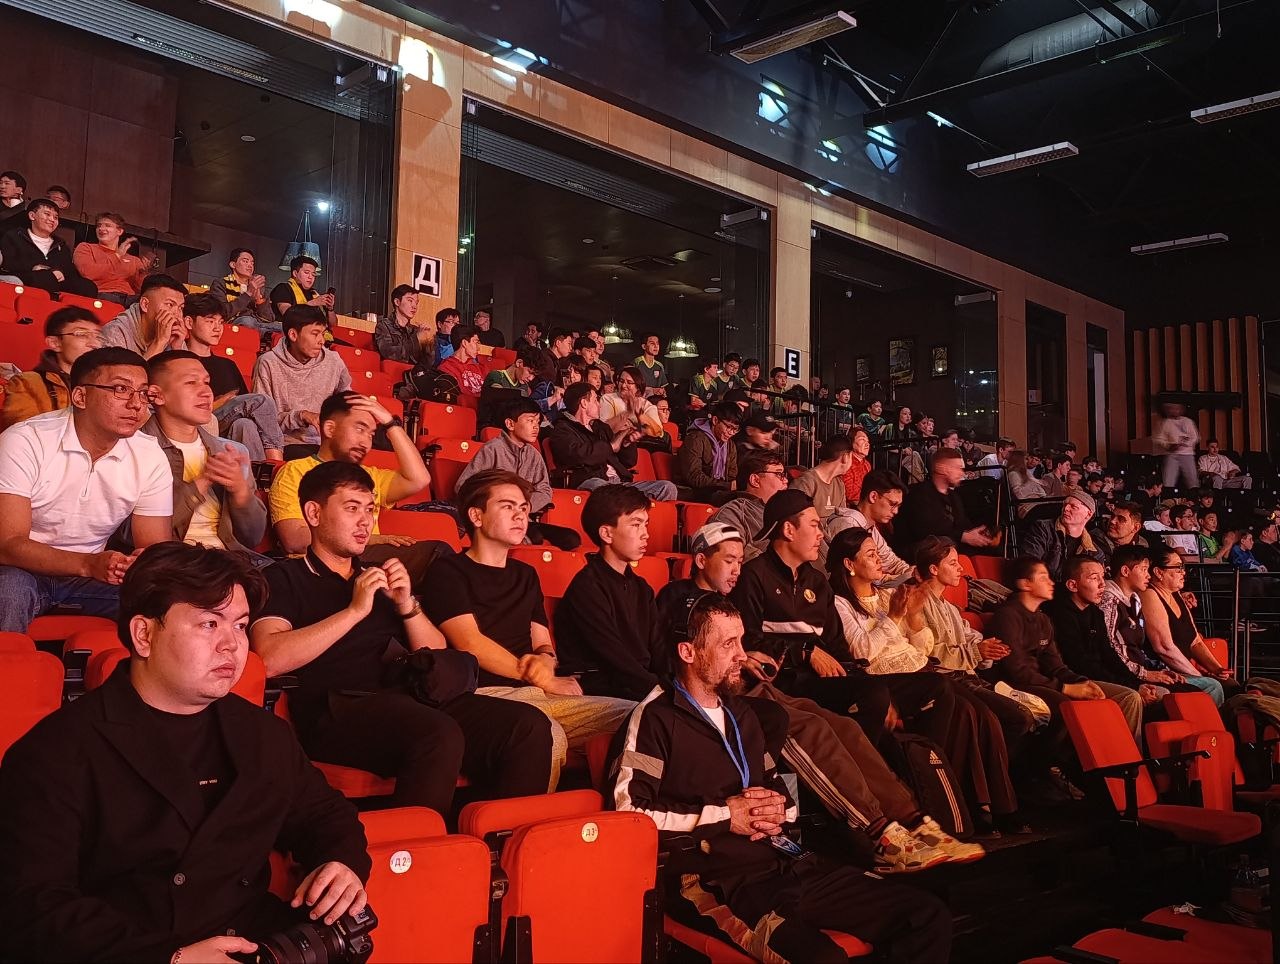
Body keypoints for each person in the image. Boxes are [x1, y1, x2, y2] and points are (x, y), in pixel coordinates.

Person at [0, 542, 372, 963]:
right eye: (210, 624)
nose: (232, 645)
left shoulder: (262, 733)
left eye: (240, 625)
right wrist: (171, 957)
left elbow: (324, 814)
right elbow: (33, 906)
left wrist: (342, 862)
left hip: (253, 943)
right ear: (144, 634)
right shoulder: (56, 751)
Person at [607, 593, 954, 963]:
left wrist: (780, 810)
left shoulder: (743, 714)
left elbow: (779, 789)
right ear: (688, 652)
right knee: (821, 958)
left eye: (741, 641)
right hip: (715, 880)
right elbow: (629, 814)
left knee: (925, 916)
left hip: (787, 861)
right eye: (728, 644)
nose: (742, 655)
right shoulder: (654, 719)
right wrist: (727, 815)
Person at [657, 523, 979, 871]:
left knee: (843, 726)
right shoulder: (677, 597)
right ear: (701, 560)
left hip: (753, 685)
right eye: (729, 560)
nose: (737, 568)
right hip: (718, 696)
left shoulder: (727, 599)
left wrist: (746, 655)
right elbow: (672, 658)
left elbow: (745, 644)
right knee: (808, 727)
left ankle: (913, 822)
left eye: (739, 560)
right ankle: (879, 833)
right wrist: (744, 656)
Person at [253, 460, 550, 810]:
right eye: (352, 508)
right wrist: (354, 612)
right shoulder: (283, 577)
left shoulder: (377, 576)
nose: (365, 521)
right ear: (314, 513)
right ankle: (419, 842)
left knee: (527, 726)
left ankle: (496, 836)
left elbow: (436, 648)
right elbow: (269, 658)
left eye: (370, 509)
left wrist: (407, 605)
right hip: (338, 708)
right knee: (436, 732)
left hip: (409, 695)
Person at [426, 470, 636, 787]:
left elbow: (542, 642)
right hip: (484, 695)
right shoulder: (448, 571)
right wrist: (542, 677)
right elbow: (469, 641)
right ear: (476, 516)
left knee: (638, 716)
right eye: (508, 506)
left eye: (524, 508)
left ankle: (626, 809)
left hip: (537, 693)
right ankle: (527, 818)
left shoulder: (526, 574)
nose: (520, 516)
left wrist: (546, 661)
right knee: (549, 736)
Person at [827, 527, 1021, 825]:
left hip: (920, 669)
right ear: (849, 564)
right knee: (956, 701)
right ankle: (939, 789)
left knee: (976, 713)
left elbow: (921, 647)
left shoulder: (887, 595)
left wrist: (915, 617)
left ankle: (979, 804)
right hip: (888, 678)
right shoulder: (840, 603)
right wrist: (895, 617)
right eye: (871, 554)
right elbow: (862, 651)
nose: (879, 560)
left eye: (878, 553)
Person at [0, 347, 173, 631]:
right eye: (120, 389)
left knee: (169, 599)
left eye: (143, 393)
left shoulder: (149, 455)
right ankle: (10, 661)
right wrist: (88, 564)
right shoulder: (26, 440)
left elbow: (154, 546)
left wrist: (142, 562)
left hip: (91, 577)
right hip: (18, 569)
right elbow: (7, 545)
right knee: (9, 590)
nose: (136, 404)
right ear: (80, 396)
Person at [729, 490, 895, 746]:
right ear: (789, 530)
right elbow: (747, 642)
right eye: (815, 525)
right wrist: (804, 652)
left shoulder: (817, 582)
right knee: (873, 696)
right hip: (785, 681)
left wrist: (863, 680)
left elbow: (837, 646)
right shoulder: (753, 576)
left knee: (934, 688)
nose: (821, 534)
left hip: (824, 679)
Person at [268, 390, 443, 576]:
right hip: (320, 566)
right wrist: (370, 539)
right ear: (330, 429)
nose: (366, 442)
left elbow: (419, 479)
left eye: (371, 434)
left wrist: (390, 424)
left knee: (443, 561)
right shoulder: (295, 471)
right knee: (438, 556)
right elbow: (294, 539)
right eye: (359, 429)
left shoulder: (369, 476)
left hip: (364, 564)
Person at [988, 558, 1143, 760]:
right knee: (1063, 704)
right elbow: (1017, 672)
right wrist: (1065, 688)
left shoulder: (1043, 619)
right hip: (1014, 686)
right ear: (1025, 584)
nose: (1051, 582)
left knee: (1110, 696)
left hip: (1043, 682)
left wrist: (1082, 682)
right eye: (1043, 577)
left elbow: (1055, 665)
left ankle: (1121, 762)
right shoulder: (1008, 616)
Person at [915, 536, 1039, 760]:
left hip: (970, 677)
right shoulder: (917, 604)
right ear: (933, 569)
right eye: (953, 563)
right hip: (948, 681)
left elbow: (970, 636)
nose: (960, 568)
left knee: (1037, 715)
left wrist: (987, 649)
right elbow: (928, 653)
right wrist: (976, 651)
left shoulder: (949, 607)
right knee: (1019, 718)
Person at [142, 351, 267, 554]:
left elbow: (252, 537)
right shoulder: (135, 451)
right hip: (174, 561)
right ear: (156, 395)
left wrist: (240, 491)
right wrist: (203, 480)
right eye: (191, 382)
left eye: (206, 382)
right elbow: (127, 535)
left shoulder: (230, 451)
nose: (207, 392)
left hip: (230, 558)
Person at [554, 485, 665, 699]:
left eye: (646, 524)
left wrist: (675, 686)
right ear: (606, 533)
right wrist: (660, 692)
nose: (646, 534)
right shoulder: (586, 587)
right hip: (600, 689)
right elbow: (612, 655)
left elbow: (659, 649)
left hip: (639, 686)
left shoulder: (643, 588)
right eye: (636, 525)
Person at [1043, 557, 1158, 738]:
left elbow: (1109, 654)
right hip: (1078, 678)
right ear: (1072, 585)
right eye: (1094, 578)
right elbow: (1079, 663)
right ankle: (1126, 755)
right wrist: (1131, 686)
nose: (1102, 584)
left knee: (1160, 693)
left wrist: (1137, 683)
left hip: (1100, 675)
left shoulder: (1095, 612)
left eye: (1103, 577)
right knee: (1130, 697)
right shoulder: (1060, 615)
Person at [455, 397, 581, 550]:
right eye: (530, 421)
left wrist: (525, 506)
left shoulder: (534, 455)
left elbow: (545, 490)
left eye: (537, 422)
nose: (536, 427)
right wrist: (502, 505)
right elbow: (463, 486)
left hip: (522, 519)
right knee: (534, 537)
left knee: (571, 539)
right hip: (495, 518)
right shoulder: (492, 449)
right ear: (510, 424)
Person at [182, 293, 285, 461]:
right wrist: (223, 401)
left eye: (220, 322)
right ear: (189, 322)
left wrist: (232, 402)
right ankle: (276, 464)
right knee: (261, 401)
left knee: (245, 424)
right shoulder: (180, 361)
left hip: (228, 430)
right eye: (210, 321)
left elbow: (243, 405)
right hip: (201, 422)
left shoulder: (228, 364)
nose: (217, 328)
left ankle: (259, 474)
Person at [1097, 546, 1205, 695]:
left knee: (1194, 690)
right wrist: (1145, 674)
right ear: (1125, 571)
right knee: (1195, 691)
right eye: (1143, 570)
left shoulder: (1135, 600)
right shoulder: (1109, 601)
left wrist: (1162, 670)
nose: (1148, 576)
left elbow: (1138, 651)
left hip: (1142, 671)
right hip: (1125, 677)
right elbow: (1111, 649)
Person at [1142, 546, 1239, 702]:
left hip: (1185, 671)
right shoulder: (1149, 595)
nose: (1183, 572)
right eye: (1178, 567)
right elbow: (1164, 648)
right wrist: (1198, 675)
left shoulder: (1176, 595)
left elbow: (1195, 641)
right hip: (1164, 671)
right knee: (1212, 686)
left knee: (1232, 686)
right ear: (1159, 572)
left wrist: (1217, 669)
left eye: (1183, 567)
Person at [548, 383, 677, 500]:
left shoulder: (599, 427)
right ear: (584, 403)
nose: (599, 404)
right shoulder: (562, 429)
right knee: (601, 487)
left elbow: (629, 462)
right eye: (595, 400)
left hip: (619, 483)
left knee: (667, 488)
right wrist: (610, 446)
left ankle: (631, 509)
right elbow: (579, 455)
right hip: (590, 481)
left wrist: (626, 442)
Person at [252, 305, 351, 452]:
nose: (321, 341)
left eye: (323, 334)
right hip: (286, 444)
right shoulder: (268, 363)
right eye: (315, 334)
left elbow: (346, 402)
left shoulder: (334, 361)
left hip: (326, 444)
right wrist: (300, 416)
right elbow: (263, 419)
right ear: (293, 335)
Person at [0, 306, 101, 430]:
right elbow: (22, 434)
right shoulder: (28, 383)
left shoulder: (106, 383)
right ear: (55, 343)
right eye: (81, 334)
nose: (94, 343)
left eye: (98, 336)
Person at [892, 447, 995, 556]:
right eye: (958, 468)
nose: (962, 474)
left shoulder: (954, 497)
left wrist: (981, 535)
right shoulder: (918, 494)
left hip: (950, 550)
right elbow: (927, 531)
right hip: (919, 554)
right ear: (941, 468)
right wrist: (963, 536)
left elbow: (963, 525)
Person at [824, 469, 913, 578]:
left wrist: (912, 572)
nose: (895, 511)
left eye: (898, 506)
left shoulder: (870, 527)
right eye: (892, 504)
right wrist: (906, 577)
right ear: (873, 496)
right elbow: (855, 576)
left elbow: (890, 562)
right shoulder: (847, 524)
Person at [0, 198, 96, 296]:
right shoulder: (14, 236)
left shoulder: (61, 245)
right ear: (32, 216)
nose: (52, 219)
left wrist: (60, 272)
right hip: (26, 279)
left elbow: (70, 273)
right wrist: (35, 268)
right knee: (44, 277)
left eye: (55, 217)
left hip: (56, 283)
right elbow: (9, 265)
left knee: (88, 286)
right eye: (47, 214)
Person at [710, 450, 789, 562]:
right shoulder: (733, 513)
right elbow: (729, 560)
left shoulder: (787, 512)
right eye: (779, 474)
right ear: (755, 480)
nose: (785, 480)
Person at [1020, 489, 1106, 583]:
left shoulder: (1095, 553)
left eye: (1073, 507)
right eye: (1065, 504)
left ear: (1088, 514)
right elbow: (1029, 565)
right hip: (1043, 587)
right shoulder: (1043, 528)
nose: (1066, 509)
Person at [71, 211, 157, 303]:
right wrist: (117, 256)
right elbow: (88, 274)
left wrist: (144, 273)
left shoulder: (134, 260)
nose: (101, 228)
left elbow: (141, 289)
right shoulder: (86, 248)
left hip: (130, 299)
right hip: (101, 296)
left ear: (119, 231)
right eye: (99, 225)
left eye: (108, 225)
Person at [99, 273, 188, 358]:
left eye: (181, 308)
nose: (177, 314)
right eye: (169, 304)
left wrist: (177, 349)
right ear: (145, 305)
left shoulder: (174, 335)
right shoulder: (115, 332)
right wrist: (159, 342)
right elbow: (128, 370)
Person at [678, 400, 742, 502]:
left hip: (719, 491)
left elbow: (731, 476)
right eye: (728, 427)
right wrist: (726, 486)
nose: (731, 433)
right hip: (695, 492)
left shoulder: (731, 446)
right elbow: (693, 476)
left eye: (735, 429)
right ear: (715, 420)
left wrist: (730, 486)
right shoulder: (695, 439)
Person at [208, 247, 276, 328]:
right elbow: (221, 313)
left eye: (252, 263)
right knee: (247, 321)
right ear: (233, 265)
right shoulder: (221, 284)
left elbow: (269, 318)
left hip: (257, 324)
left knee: (281, 327)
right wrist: (248, 293)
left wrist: (259, 300)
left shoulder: (256, 286)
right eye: (245, 261)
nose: (250, 266)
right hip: (233, 324)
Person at [790, 437, 853, 521]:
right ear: (845, 457)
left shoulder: (839, 484)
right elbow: (796, 520)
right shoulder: (805, 482)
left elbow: (842, 519)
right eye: (852, 457)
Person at [373, 284, 433, 364]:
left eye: (416, 303)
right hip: (394, 369)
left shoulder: (415, 330)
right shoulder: (384, 325)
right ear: (397, 302)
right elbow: (390, 354)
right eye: (410, 301)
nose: (414, 306)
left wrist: (428, 342)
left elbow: (429, 362)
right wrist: (416, 339)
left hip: (414, 371)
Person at [600, 366, 664, 438]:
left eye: (629, 382)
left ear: (638, 387)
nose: (623, 385)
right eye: (621, 381)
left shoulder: (646, 405)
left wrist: (640, 416)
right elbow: (604, 429)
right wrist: (627, 413)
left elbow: (659, 433)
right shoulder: (608, 398)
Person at [271, 254, 334, 327]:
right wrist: (312, 303)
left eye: (313, 274)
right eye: (306, 272)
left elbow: (333, 325)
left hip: (320, 332)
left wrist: (330, 309)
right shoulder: (283, 288)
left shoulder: (314, 294)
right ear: (295, 273)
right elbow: (287, 315)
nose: (310, 277)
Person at [1154, 402, 1199, 490]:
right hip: (1171, 454)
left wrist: (1183, 443)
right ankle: (1168, 496)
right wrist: (1169, 445)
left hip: (1187, 454)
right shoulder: (1165, 423)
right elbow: (1159, 438)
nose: (1174, 411)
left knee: (1192, 480)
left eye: (1177, 408)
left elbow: (1195, 437)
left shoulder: (1188, 421)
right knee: (1168, 480)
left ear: (1181, 410)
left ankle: (1194, 496)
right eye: (1172, 408)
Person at [1092, 500, 1151, 564]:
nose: (1112, 521)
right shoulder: (1093, 541)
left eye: (1121, 519)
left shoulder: (1142, 546)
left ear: (1136, 528)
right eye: (1112, 516)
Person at [437, 324, 484, 397]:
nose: (478, 348)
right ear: (464, 343)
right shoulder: (446, 368)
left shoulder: (479, 368)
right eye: (476, 342)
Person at [842, 427, 872, 504]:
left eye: (867, 441)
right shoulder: (846, 461)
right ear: (851, 443)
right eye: (862, 439)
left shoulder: (867, 464)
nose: (867, 444)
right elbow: (850, 494)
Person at [633, 332, 668, 396]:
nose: (656, 346)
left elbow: (663, 387)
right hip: (640, 398)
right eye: (652, 343)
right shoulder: (637, 362)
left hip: (655, 399)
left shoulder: (659, 365)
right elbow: (632, 386)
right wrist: (652, 390)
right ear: (644, 346)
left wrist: (663, 393)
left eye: (657, 343)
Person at [0, 170, 26, 234]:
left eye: (7, 183)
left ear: (19, 190)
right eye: (0, 183)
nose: (2, 186)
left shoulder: (26, 208)